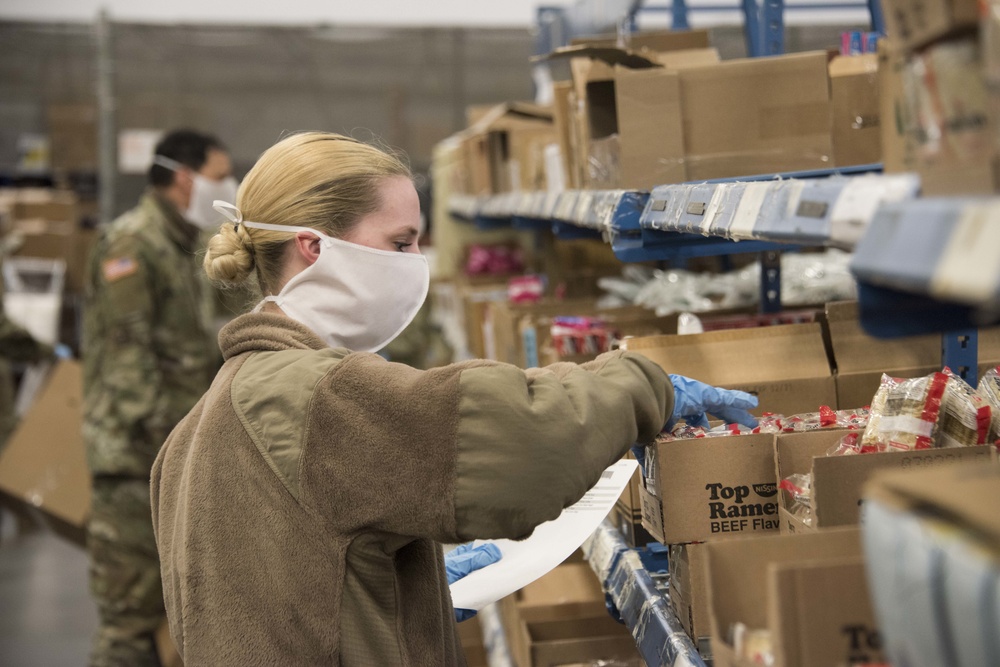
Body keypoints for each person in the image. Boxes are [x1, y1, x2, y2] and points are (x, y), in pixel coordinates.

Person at [150, 132, 757, 666]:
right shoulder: (317, 397)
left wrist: (402, 601)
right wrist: (645, 386)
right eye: (402, 242)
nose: (418, 263)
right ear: (314, 246)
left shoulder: (194, 432)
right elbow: (519, 438)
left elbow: (281, 592)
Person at [82, 129, 234, 666]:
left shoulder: (178, 244)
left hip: (166, 451)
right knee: (131, 621)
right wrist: (171, 451)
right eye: (220, 175)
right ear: (184, 178)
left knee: (170, 616)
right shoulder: (133, 243)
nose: (227, 185)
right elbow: (129, 361)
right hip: (135, 459)